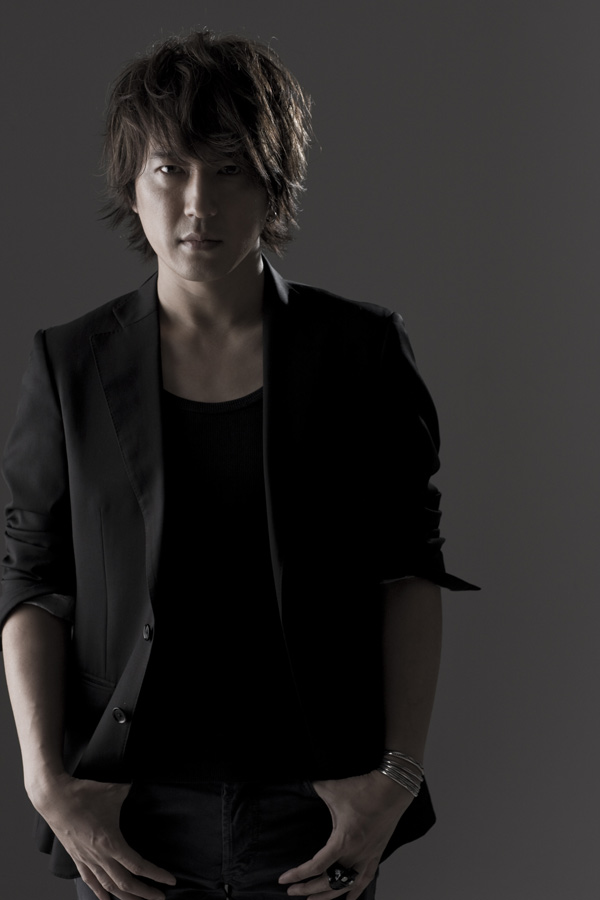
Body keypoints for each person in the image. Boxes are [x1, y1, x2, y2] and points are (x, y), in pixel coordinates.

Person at [0, 28, 478, 900]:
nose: (199, 204)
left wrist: (395, 781)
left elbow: (407, 570)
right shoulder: (68, 365)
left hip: (315, 809)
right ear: (132, 183)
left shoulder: (361, 351)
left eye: (231, 171)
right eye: (170, 169)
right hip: (128, 814)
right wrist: (47, 785)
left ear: (274, 184)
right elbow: (33, 580)